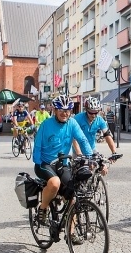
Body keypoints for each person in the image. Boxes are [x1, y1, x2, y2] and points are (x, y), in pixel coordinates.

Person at [31, 94, 94, 242]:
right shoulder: (46, 124)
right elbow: (38, 146)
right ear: (54, 110)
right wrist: (38, 161)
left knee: (73, 194)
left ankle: (70, 233)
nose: (64, 113)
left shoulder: (72, 123)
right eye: (61, 110)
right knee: (55, 183)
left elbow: (83, 140)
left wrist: (90, 156)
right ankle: (43, 208)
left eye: (67, 110)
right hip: (44, 164)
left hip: (62, 165)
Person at [73, 98, 118, 175]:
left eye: (96, 113)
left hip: (91, 148)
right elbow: (73, 138)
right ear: (86, 110)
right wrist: (79, 154)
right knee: (77, 172)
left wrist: (114, 152)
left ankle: (94, 184)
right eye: (91, 112)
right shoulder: (77, 118)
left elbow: (107, 136)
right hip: (77, 149)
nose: (93, 115)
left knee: (103, 168)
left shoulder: (100, 120)